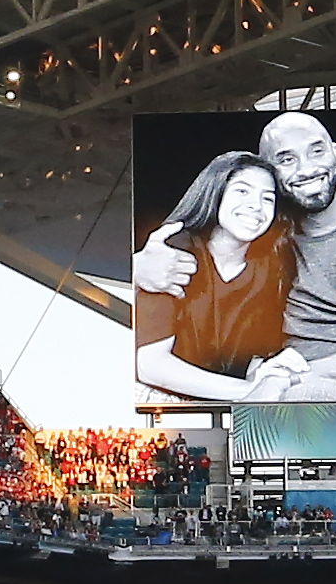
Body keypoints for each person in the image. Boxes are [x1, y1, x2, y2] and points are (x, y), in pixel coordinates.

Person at [120, 109, 336, 401]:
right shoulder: (262, 242)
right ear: (270, 173)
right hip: (313, 392)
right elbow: (209, 275)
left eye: (316, 151)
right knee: (306, 405)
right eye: (287, 159)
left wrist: (278, 380)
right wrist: (138, 268)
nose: (306, 169)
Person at [128, 151, 299, 406]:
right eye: (242, 191)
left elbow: (248, 356)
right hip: (159, 402)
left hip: (222, 404)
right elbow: (151, 365)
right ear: (215, 192)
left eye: (267, 198)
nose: (256, 205)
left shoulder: (269, 267)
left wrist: (268, 372)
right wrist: (250, 390)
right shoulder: (175, 253)